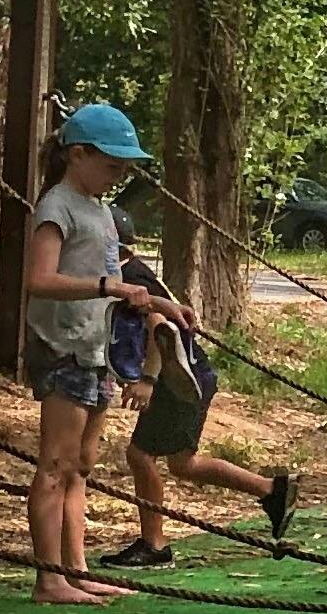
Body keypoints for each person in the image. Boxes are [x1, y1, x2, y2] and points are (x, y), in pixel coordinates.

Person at [22, 103, 190, 604]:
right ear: (78, 155)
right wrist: (107, 288)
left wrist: (161, 304)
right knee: (55, 463)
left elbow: (117, 281)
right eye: (112, 165)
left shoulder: (100, 211)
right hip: (62, 347)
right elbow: (40, 280)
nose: (119, 176)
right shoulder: (57, 207)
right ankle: (48, 578)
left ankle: (76, 570)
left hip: (97, 349)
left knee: (81, 465)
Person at [97, 205, 299, 568]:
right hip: (195, 375)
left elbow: (160, 327)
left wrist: (147, 379)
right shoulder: (136, 272)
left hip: (178, 380)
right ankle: (272, 490)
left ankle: (154, 544)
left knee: (140, 456)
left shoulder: (130, 279)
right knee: (182, 463)